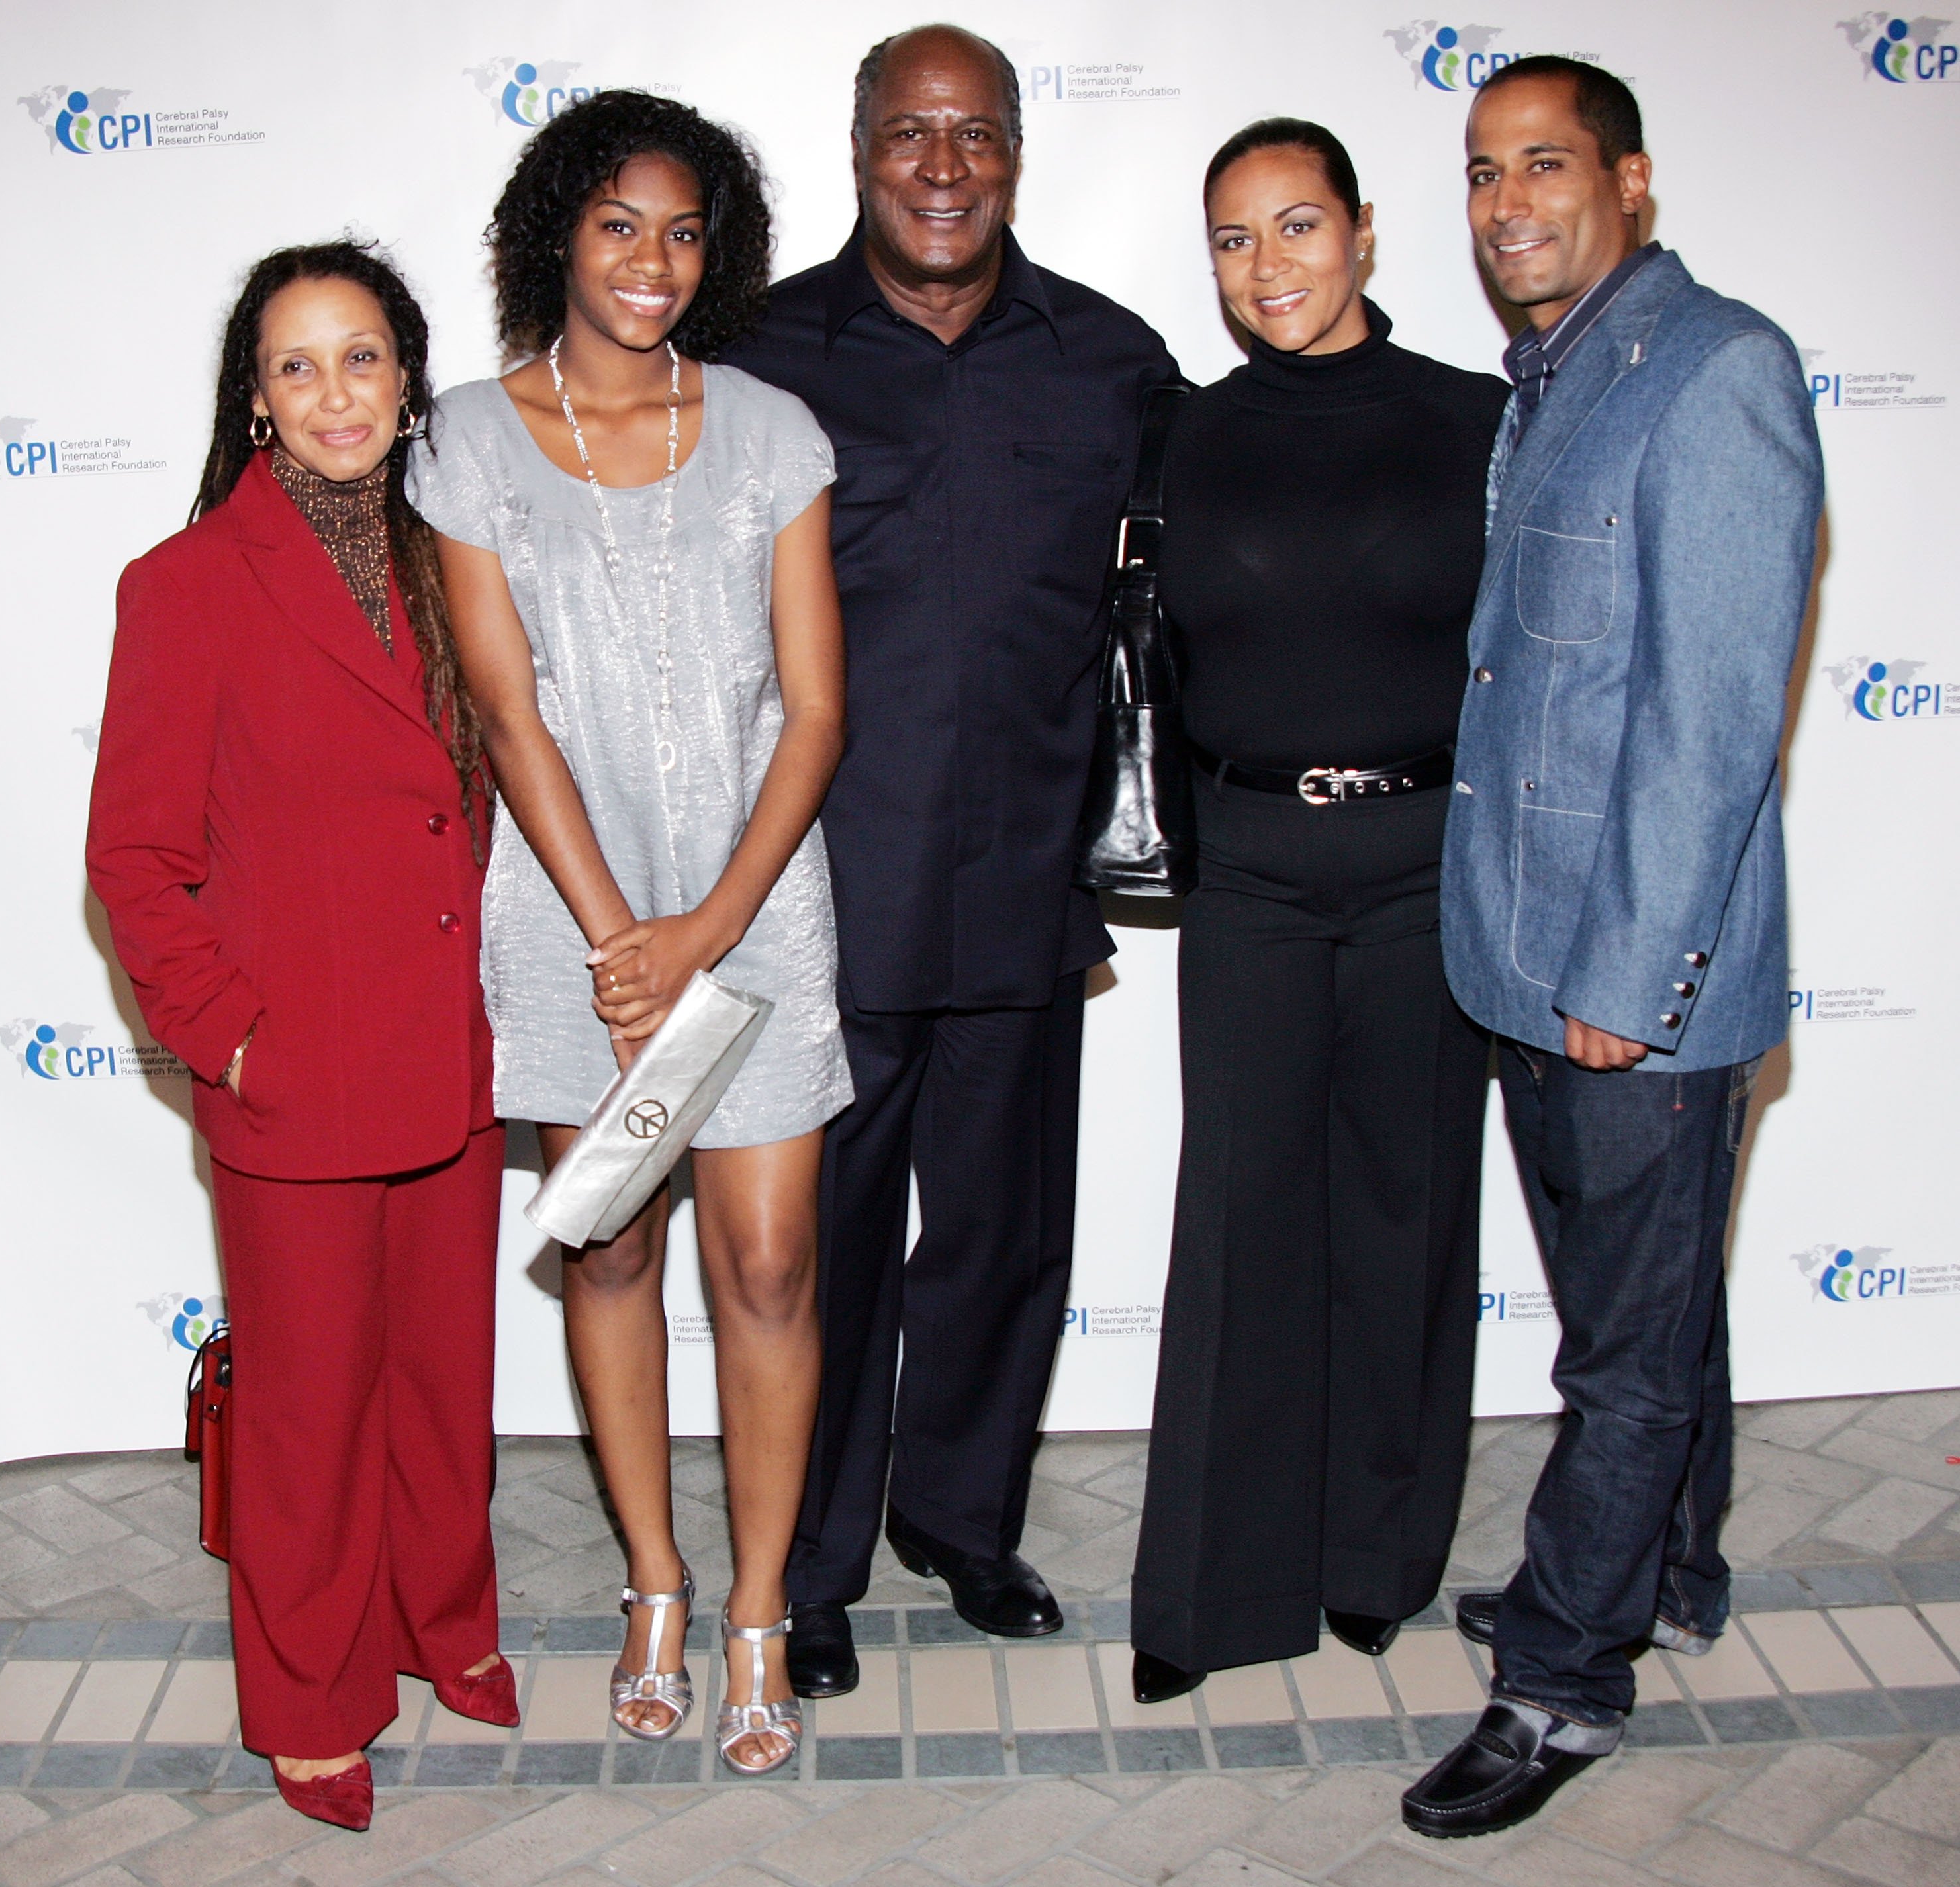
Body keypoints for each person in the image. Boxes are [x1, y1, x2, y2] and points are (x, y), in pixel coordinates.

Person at [723, 24, 1178, 1695]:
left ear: (1014, 158)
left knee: (1004, 1239)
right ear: (857, 148)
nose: (942, 163)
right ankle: (819, 1558)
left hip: (1021, 900)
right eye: (910, 131)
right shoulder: (760, 356)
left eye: (975, 133)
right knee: (820, 1256)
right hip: (816, 905)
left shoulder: (1115, 364)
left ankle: (966, 1524)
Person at [1401, 58, 1822, 1837]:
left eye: (1547, 166)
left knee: (1624, 1355)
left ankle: (1567, 1676)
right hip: (1528, 952)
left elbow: (1716, 720)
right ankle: (1671, 1570)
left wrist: (1622, 992)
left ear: (1630, 180)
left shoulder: (1713, 369)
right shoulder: (1558, 369)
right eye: (1486, 172)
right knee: (1648, 1317)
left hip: (1630, 986)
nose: (1509, 204)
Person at [410, 91, 849, 1778]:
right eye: (617, 226)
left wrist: (707, 932)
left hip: (755, 912)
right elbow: (509, 717)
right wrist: (620, 944)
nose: (652, 261)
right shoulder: (462, 437)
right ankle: (652, 1580)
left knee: (768, 1265)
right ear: (555, 238)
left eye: (682, 231)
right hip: (565, 918)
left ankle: (756, 1605)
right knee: (608, 1245)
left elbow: (814, 713)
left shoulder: (774, 431)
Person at [86, 243, 508, 1832]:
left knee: (438, 1380)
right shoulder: (184, 584)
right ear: (254, 403)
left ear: (409, 384)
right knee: (310, 1409)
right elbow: (134, 856)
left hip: (456, 1056)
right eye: (297, 367)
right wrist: (229, 1037)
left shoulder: (461, 560)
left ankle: (441, 1622)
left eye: (364, 360)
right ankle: (311, 1695)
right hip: (300, 1072)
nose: (335, 394)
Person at [1127, 122, 1505, 1707]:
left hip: (1433, 860)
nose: (1267, 267)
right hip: (1257, 870)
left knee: (1407, 1219)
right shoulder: (1178, 437)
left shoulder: (1482, 421)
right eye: (1232, 240)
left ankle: (1377, 1559)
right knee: (1239, 1221)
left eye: (1296, 228)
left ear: (1360, 230)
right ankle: (1212, 1587)